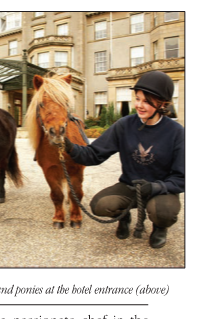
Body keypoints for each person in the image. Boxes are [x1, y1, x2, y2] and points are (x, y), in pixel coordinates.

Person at [64, 71, 183, 249]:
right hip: (130, 185)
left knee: (164, 212)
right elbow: (95, 154)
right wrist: (69, 146)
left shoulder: (176, 132)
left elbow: (182, 177)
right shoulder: (124, 125)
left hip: (161, 188)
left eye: (146, 101)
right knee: (100, 205)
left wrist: (156, 187)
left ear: (162, 104)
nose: (139, 105)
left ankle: (159, 227)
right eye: (137, 99)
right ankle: (124, 216)